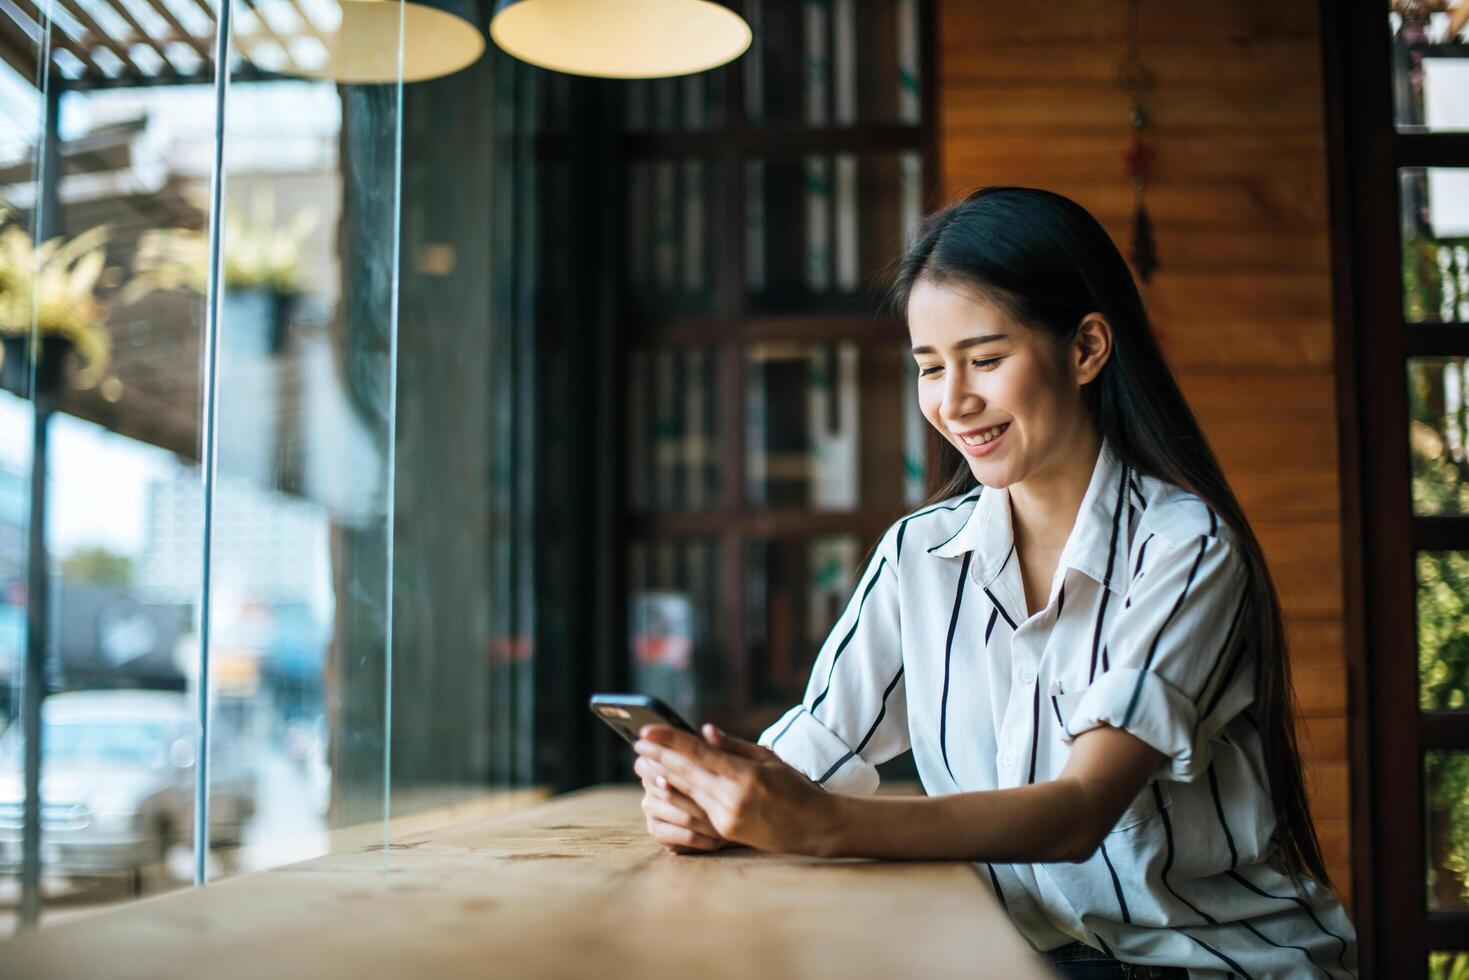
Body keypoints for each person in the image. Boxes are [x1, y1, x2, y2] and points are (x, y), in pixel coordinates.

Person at [631, 187, 1359, 979]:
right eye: (929, 367)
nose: (952, 402)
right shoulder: (919, 554)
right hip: (1018, 961)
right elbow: (817, 747)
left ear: (1085, 348)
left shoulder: (1184, 549)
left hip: (1213, 967)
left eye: (984, 359)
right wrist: (714, 800)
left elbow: (1078, 813)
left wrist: (822, 825)